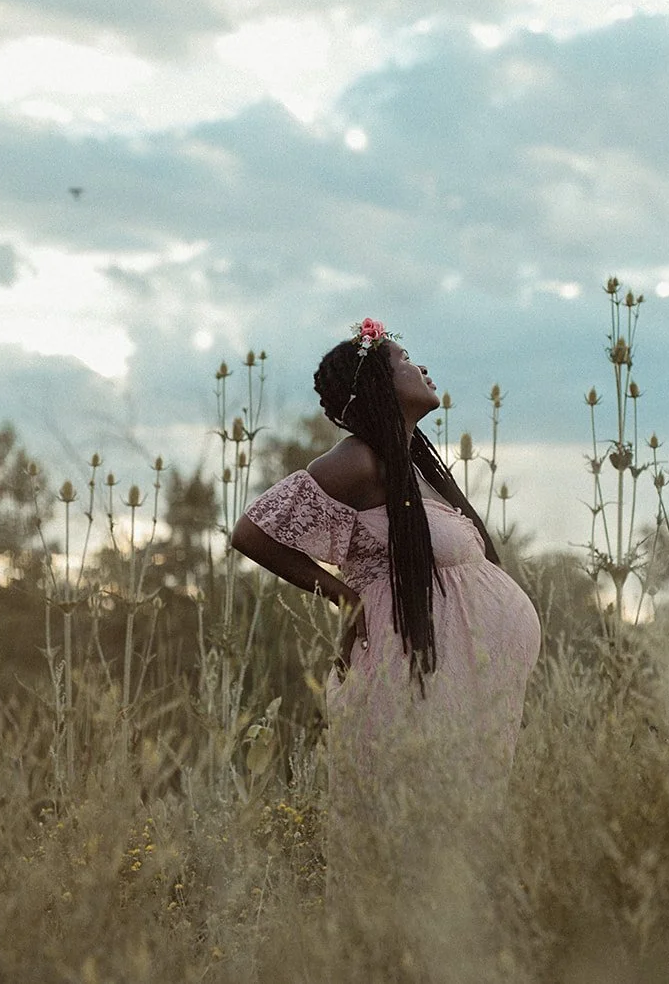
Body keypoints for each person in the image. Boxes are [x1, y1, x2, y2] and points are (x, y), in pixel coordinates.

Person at [230, 318, 542, 912]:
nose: (421, 368)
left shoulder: (414, 464)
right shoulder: (359, 461)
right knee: (413, 831)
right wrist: (346, 599)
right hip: (406, 678)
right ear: (378, 383)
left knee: (459, 841)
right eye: (405, 360)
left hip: (461, 686)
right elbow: (254, 531)